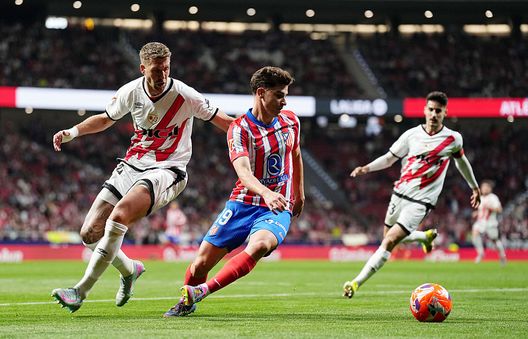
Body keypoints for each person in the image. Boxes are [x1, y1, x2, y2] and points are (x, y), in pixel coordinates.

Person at [51, 42, 233, 313]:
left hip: (168, 169)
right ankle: (129, 270)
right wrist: (72, 132)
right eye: (156, 70)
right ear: (142, 68)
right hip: (132, 165)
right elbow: (106, 118)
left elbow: (224, 122)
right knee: (89, 234)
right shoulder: (131, 91)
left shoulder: (185, 95)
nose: (162, 76)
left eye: (166, 69)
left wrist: (257, 133)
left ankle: (80, 291)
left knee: (119, 216)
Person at [163, 66, 305, 317]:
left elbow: (295, 153)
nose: (284, 101)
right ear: (261, 93)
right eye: (279, 95)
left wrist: (299, 193)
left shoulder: (291, 121)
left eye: (285, 95)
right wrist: (266, 193)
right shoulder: (239, 129)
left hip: (277, 205)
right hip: (242, 203)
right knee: (199, 265)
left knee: (261, 244)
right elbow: (243, 171)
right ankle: (187, 300)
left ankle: (203, 291)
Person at [343, 91, 481, 299]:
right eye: (431, 110)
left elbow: (461, 162)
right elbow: (390, 158)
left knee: (389, 241)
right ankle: (423, 237)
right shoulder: (411, 135)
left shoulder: (453, 139)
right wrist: (366, 168)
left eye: (439, 111)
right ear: (425, 111)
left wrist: (475, 187)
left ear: (445, 113)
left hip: (421, 200)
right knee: (387, 237)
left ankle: (355, 283)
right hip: (399, 193)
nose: (434, 114)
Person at [472, 180, 506, 265]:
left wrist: (490, 208)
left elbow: (499, 209)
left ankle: (502, 256)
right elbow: (482, 210)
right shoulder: (480, 197)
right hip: (481, 222)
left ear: (490, 189)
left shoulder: (493, 197)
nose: (484, 189)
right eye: (483, 187)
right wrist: (476, 213)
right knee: (475, 232)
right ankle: (481, 253)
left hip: (491, 223)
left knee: (494, 240)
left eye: (486, 187)